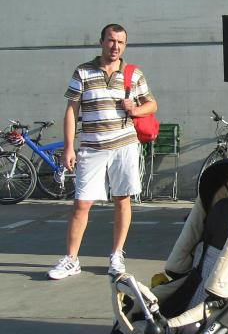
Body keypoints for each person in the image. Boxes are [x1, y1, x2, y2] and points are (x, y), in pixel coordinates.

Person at [48, 24, 157, 280]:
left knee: (122, 199)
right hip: (91, 147)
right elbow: (71, 110)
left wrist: (135, 109)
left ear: (125, 45)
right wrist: (68, 147)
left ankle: (117, 255)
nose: (115, 46)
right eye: (111, 40)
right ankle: (71, 259)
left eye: (121, 42)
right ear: (101, 42)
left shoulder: (133, 74)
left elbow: (152, 104)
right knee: (82, 203)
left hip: (124, 145)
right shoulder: (83, 71)